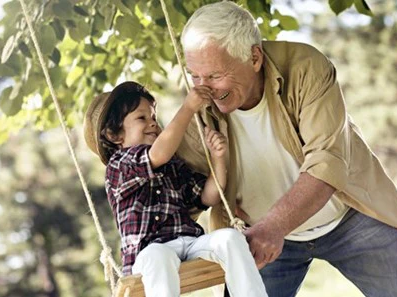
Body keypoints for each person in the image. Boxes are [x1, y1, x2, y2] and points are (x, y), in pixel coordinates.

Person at [176, 2, 397, 296]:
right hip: (258, 235)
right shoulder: (199, 104)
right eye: (194, 75)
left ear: (254, 57)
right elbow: (181, 186)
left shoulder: (306, 67)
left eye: (215, 75)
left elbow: (327, 161)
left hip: (347, 217)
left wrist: (274, 226)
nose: (202, 88)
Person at [83, 81, 268, 297]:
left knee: (230, 239)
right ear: (115, 136)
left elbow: (208, 196)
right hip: (149, 251)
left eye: (154, 117)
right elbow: (158, 154)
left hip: (190, 243)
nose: (153, 123)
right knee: (158, 256)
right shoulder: (120, 165)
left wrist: (218, 159)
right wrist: (189, 107)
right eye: (142, 118)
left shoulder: (173, 164)